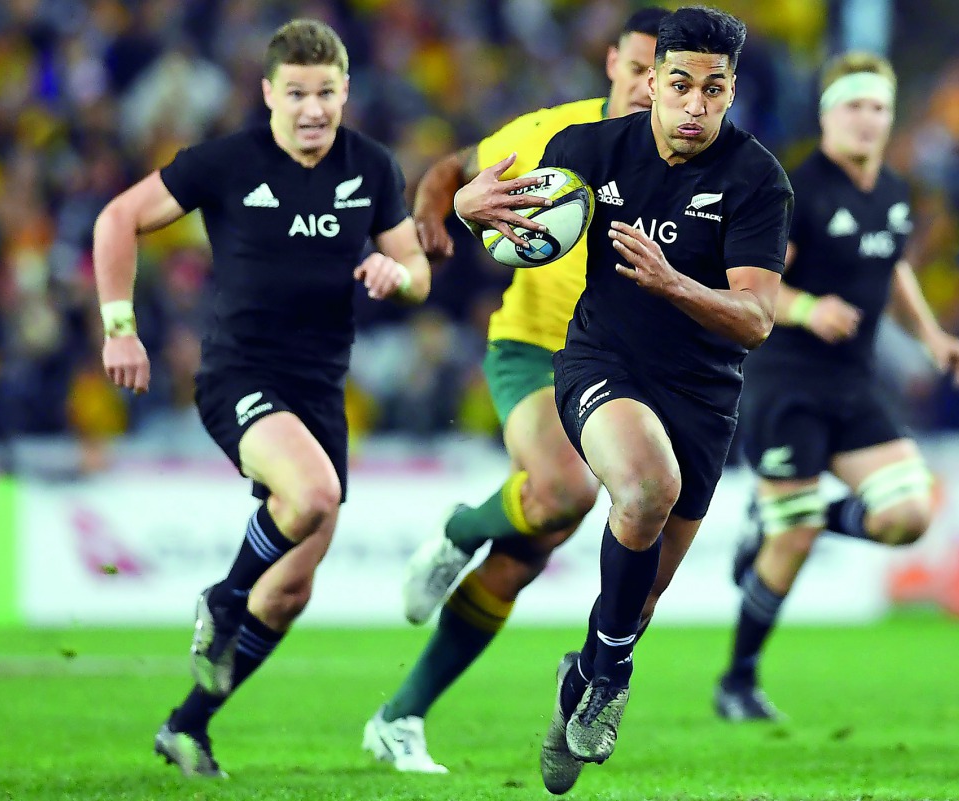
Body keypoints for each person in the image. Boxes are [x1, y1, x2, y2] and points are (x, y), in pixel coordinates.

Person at [455, 7, 792, 793]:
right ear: (651, 81)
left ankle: (588, 675)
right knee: (644, 485)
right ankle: (611, 682)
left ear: (731, 89)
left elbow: (756, 319)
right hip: (600, 364)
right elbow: (504, 219)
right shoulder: (585, 151)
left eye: (714, 89)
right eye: (680, 84)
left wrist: (676, 283)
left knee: (633, 606)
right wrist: (475, 214)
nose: (695, 104)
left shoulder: (755, 180)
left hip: (704, 397)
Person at [92, 19, 430, 777]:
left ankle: (187, 726)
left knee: (287, 594)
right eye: (298, 94)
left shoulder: (370, 167)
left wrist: (396, 274)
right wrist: (121, 327)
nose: (313, 109)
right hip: (240, 372)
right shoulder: (225, 162)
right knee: (311, 494)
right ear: (270, 93)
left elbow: (416, 268)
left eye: (327, 92)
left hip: (320, 389)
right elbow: (118, 218)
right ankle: (221, 598)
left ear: (345, 90)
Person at [363, 8, 670, 775]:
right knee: (563, 490)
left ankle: (398, 716)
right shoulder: (552, 132)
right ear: (611, 63)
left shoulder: (693, 164)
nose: (643, 85)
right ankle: (462, 527)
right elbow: (451, 167)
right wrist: (437, 212)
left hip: (625, 372)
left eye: (658, 76)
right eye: (635, 68)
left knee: (525, 555)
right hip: (535, 350)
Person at [714, 52, 959, 722]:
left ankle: (782, 516)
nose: (868, 120)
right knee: (792, 540)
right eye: (855, 106)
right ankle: (737, 680)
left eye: (879, 108)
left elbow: (892, 271)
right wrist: (808, 309)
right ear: (829, 113)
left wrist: (934, 337)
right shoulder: (797, 190)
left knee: (908, 516)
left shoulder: (891, 190)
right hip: (786, 382)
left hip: (853, 382)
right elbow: (752, 283)